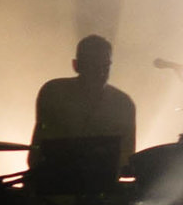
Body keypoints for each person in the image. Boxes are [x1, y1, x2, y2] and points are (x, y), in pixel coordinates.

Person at [29, 34, 136, 189]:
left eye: (105, 67)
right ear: (76, 65)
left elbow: (127, 158)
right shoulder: (53, 93)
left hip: (97, 193)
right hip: (53, 188)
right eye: (93, 66)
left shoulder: (124, 104)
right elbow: (38, 151)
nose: (100, 73)